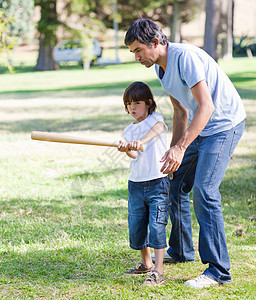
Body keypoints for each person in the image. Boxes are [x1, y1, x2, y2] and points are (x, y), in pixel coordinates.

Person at [124, 19, 246, 289]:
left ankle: (218, 270)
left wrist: (181, 147)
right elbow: (182, 112)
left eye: (138, 50)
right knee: (174, 181)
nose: (136, 57)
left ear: (156, 43)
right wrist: (173, 150)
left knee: (205, 191)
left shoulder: (186, 58)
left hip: (224, 125)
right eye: (133, 52)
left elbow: (206, 106)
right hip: (200, 128)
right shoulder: (159, 67)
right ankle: (181, 250)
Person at [118, 81, 171, 286]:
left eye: (137, 103)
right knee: (137, 224)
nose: (132, 107)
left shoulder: (155, 119)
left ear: (149, 103)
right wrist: (127, 148)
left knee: (157, 224)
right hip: (137, 184)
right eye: (129, 104)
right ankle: (146, 263)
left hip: (158, 181)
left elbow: (158, 129)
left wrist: (142, 141)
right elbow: (133, 153)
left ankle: (158, 269)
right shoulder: (128, 130)